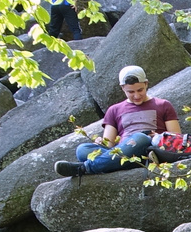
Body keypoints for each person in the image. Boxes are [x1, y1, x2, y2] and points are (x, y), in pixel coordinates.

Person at [54, 65, 182, 176]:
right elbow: (109, 144)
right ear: (122, 88)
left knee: (140, 138)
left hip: (149, 149)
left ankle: (84, 168)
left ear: (146, 84)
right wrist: (100, 142)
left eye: (140, 90)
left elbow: (177, 138)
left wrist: (158, 137)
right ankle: (115, 164)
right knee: (82, 149)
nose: (136, 96)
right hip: (123, 150)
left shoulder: (163, 105)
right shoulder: (114, 110)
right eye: (131, 92)